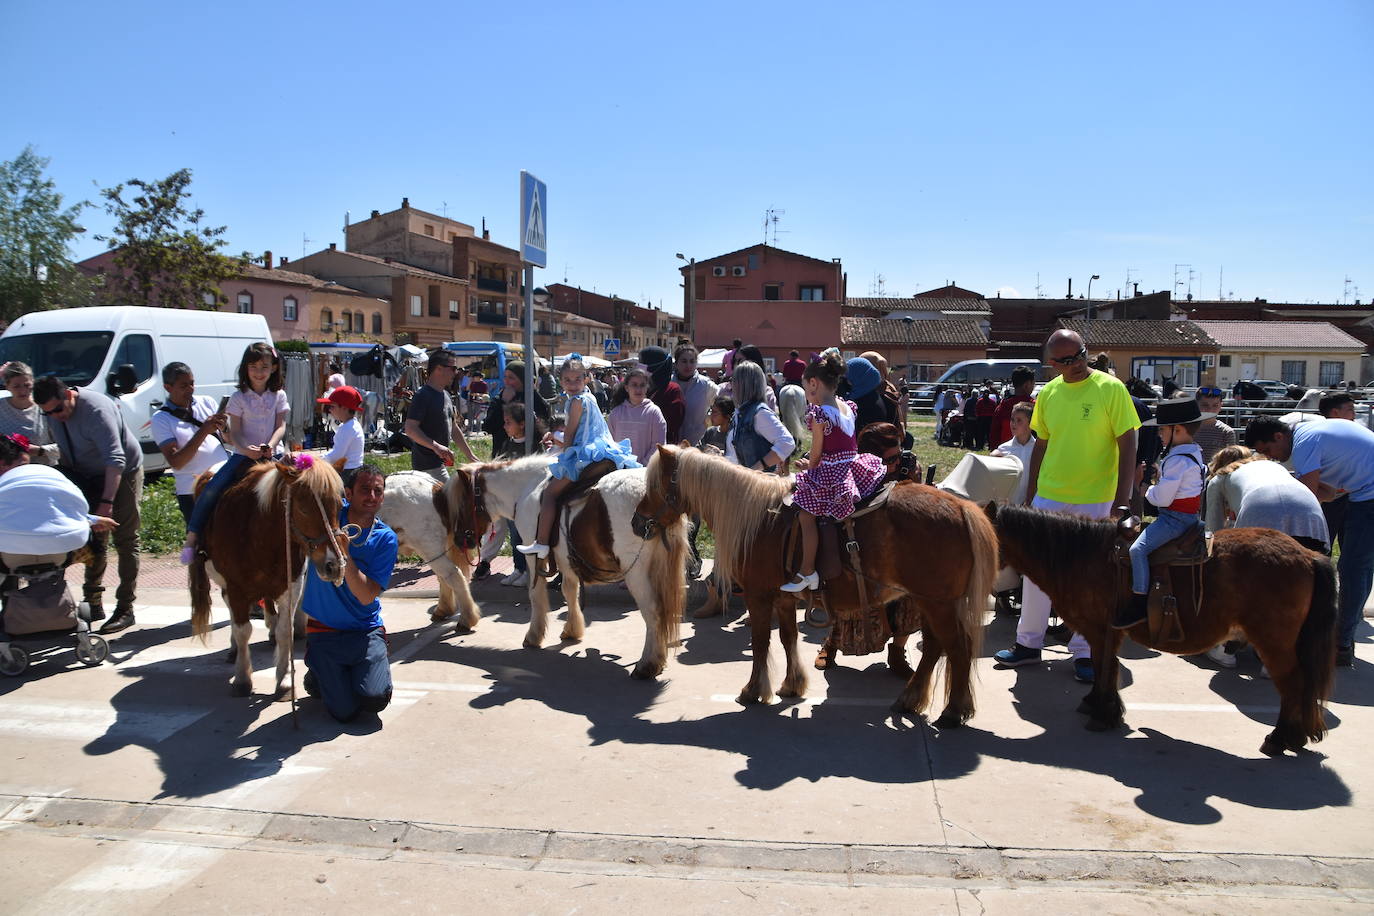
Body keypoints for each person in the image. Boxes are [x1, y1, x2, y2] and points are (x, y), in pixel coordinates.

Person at [993, 329, 1140, 683]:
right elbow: (1041, 445)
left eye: (1079, 356)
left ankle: (1085, 651)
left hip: (1097, 499)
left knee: (1089, 577)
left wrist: (1123, 500)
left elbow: (1129, 442)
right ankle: (1028, 644)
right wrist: (1031, 494)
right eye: (1065, 361)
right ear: (1052, 364)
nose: (1075, 365)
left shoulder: (1111, 389)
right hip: (1049, 497)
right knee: (1037, 573)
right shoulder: (1051, 393)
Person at [1245, 415, 1374, 667]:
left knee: (1352, 569)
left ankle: (1341, 643)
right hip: (1364, 491)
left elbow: (1306, 497)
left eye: (1268, 450)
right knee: (1360, 568)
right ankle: (1344, 637)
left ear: (1279, 436)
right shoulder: (1311, 432)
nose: (1271, 457)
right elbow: (1327, 492)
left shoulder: (1304, 443)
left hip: (1368, 495)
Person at [33, 373, 144, 633]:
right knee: (93, 539)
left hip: (122, 472)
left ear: (69, 395)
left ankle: (125, 608)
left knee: (126, 539)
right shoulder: (54, 413)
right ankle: (93, 601)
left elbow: (116, 458)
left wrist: (106, 502)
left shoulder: (96, 410)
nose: (56, 416)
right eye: (48, 413)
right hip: (86, 474)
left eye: (59, 409)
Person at [1202, 444, 1330, 668]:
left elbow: (1213, 532)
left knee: (1247, 589)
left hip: (1262, 509)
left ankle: (1226, 649)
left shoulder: (1220, 478)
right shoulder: (1273, 466)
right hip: (1310, 513)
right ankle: (1281, 657)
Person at [780, 353, 887, 593]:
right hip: (852, 464)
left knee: (806, 516)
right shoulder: (846, 406)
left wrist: (809, 465)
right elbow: (840, 444)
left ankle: (808, 571)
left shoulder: (819, 413)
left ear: (814, 383)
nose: (807, 394)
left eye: (805, 388)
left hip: (832, 471)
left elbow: (817, 454)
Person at [302, 464, 398, 723]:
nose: (372, 497)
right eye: (364, 490)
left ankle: (337, 674)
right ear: (348, 493)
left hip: (365, 630)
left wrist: (345, 555)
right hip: (324, 630)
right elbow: (303, 494)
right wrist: (299, 464)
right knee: (345, 713)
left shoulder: (385, 538)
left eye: (378, 491)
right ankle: (319, 670)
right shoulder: (328, 518)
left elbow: (366, 596)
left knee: (375, 699)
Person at [517, 357, 641, 559]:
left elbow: (570, 435)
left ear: (585, 378)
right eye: (568, 380)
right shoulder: (589, 396)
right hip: (600, 448)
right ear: (561, 381)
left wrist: (559, 447)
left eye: (576, 379)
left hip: (585, 453)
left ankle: (541, 543)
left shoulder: (575, 401)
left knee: (549, 494)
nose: (572, 384)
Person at [181, 343, 289, 565]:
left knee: (304, 487)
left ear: (274, 368)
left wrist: (270, 444)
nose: (259, 372)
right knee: (212, 488)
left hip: (273, 453)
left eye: (264, 367)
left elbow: (281, 426)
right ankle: (192, 537)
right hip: (243, 454)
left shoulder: (278, 396)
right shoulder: (238, 397)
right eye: (254, 367)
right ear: (245, 369)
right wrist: (246, 449)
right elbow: (236, 432)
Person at [1117, 399, 1210, 629]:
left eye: (1162, 429)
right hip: (1189, 516)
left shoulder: (1177, 459)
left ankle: (1139, 602)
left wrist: (1142, 486)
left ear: (1177, 430)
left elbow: (1162, 499)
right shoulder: (1194, 452)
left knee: (1138, 549)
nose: (1159, 434)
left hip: (1173, 519)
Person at [0, 433, 117, 556]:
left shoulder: (23, 485)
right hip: (50, 548)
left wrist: (93, 519)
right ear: (2, 464)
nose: (26, 470)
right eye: (22, 466)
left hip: (17, 547)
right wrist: (92, 520)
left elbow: (47, 514)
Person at [151, 362, 229, 525]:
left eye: (192, 383)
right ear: (168, 387)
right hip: (192, 489)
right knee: (201, 541)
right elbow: (176, 462)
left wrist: (225, 428)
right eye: (184, 385)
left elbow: (230, 441)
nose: (190, 389)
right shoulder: (161, 419)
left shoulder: (207, 402)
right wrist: (204, 431)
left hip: (222, 480)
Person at [405, 350, 477, 481]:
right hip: (426, 467)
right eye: (453, 368)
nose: (456, 373)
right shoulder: (423, 395)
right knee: (453, 500)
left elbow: (454, 428)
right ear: (439, 368)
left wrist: (471, 456)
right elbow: (410, 429)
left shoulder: (446, 395)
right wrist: (436, 447)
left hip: (439, 465)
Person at [725, 361, 795, 474]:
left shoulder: (759, 413)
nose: (730, 384)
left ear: (744, 384)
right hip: (738, 481)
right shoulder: (740, 412)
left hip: (756, 485)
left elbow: (787, 442)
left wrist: (756, 469)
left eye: (734, 380)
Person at [482, 359, 550, 456]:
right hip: (503, 454)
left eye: (511, 378)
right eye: (505, 377)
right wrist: (504, 402)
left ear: (523, 379)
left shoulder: (533, 398)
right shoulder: (499, 399)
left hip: (530, 454)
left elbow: (544, 420)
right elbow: (488, 427)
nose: (506, 381)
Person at [0, 361, 59, 465]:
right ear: (7, 386)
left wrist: (39, 451)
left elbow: (65, 447)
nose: (22, 390)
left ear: (33, 383)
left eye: (27, 385)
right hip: (7, 473)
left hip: (42, 471)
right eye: (16, 386)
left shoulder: (45, 406)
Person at [607, 366, 667, 464]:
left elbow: (658, 445)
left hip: (644, 470)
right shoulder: (616, 413)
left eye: (642, 385)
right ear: (626, 387)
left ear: (647, 387)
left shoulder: (654, 412)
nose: (638, 389)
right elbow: (609, 443)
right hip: (619, 469)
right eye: (634, 385)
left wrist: (640, 465)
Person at [991, 401, 1037, 507]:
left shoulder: (1037, 449)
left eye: (1019, 420)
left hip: (1032, 505)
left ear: (1031, 423)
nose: (1013, 424)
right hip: (1009, 505)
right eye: (1012, 419)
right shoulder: (1003, 449)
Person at [673, 343, 719, 447]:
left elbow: (724, 402)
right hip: (672, 445)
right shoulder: (668, 384)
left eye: (692, 361)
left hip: (697, 447)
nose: (688, 365)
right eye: (684, 361)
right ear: (676, 363)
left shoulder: (706, 385)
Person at [638, 346, 686, 444]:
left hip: (663, 448)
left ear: (653, 366)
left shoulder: (673, 391)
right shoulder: (639, 389)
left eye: (641, 362)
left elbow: (672, 424)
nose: (639, 367)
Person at [319, 385, 365, 471]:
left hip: (348, 470)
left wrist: (317, 460)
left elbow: (337, 455)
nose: (330, 410)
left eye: (332, 407)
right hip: (354, 468)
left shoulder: (348, 428)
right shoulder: (351, 425)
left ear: (344, 408)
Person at [991, 367, 1036, 448]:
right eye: (1033, 384)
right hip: (1029, 455)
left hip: (1005, 455)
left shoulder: (1002, 406)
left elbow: (994, 434)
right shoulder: (1034, 406)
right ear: (1027, 384)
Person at [1192, 385, 1237, 464]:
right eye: (1205, 405)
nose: (1210, 409)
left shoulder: (1227, 432)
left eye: (1215, 405)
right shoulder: (1186, 430)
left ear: (1220, 406)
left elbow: (1231, 462)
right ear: (1196, 405)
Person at [973, 385, 999, 450]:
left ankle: (990, 446)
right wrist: (978, 417)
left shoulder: (992, 402)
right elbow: (977, 410)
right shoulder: (980, 401)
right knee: (981, 433)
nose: (986, 395)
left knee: (989, 434)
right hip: (982, 418)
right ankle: (980, 446)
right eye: (985, 393)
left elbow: (994, 411)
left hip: (989, 419)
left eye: (987, 393)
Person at [465, 368, 489, 434]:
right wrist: (470, 382)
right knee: (470, 416)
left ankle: (479, 430)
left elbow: (486, 393)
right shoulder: (472, 383)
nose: (474, 378)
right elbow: (467, 389)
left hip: (479, 401)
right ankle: (470, 430)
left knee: (478, 416)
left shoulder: (484, 384)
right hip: (471, 400)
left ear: (479, 377)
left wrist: (478, 394)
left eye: (475, 377)